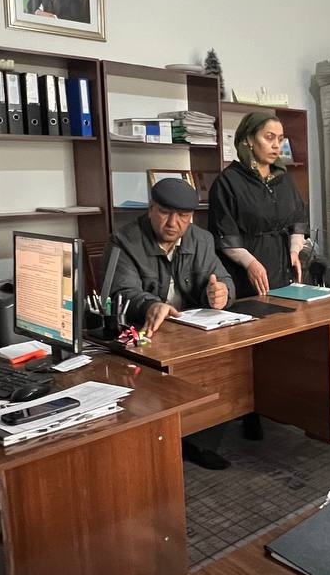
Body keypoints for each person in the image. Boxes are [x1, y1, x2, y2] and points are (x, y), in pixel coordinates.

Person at [104, 177, 236, 468]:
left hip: (191, 332)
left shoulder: (202, 240)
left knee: (228, 359)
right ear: (151, 208)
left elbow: (223, 279)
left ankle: (202, 436)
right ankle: (171, 440)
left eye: (183, 216)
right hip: (146, 334)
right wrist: (150, 304)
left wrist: (221, 293)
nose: (173, 223)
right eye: (165, 213)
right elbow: (121, 290)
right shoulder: (124, 241)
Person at [209, 112, 309, 438]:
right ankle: (250, 411)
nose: (276, 145)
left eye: (280, 139)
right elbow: (224, 234)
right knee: (250, 345)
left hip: (280, 266)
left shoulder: (282, 178)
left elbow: (298, 217)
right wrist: (250, 262)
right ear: (249, 139)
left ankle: (277, 401)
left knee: (282, 339)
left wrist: (295, 248)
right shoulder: (228, 181)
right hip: (244, 271)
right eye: (269, 137)